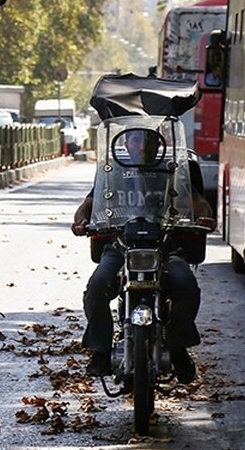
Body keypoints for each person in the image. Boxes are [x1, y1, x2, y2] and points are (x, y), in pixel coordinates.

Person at [70, 128, 215, 383]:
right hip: (120, 246)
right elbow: (89, 205)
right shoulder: (112, 172)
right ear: (125, 142)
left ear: (157, 144)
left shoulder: (172, 170)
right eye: (135, 139)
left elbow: (196, 201)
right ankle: (101, 351)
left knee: (186, 284)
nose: (140, 144)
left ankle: (179, 348)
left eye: (147, 139)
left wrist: (205, 215)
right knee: (96, 287)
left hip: (165, 245)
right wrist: (81, 221)